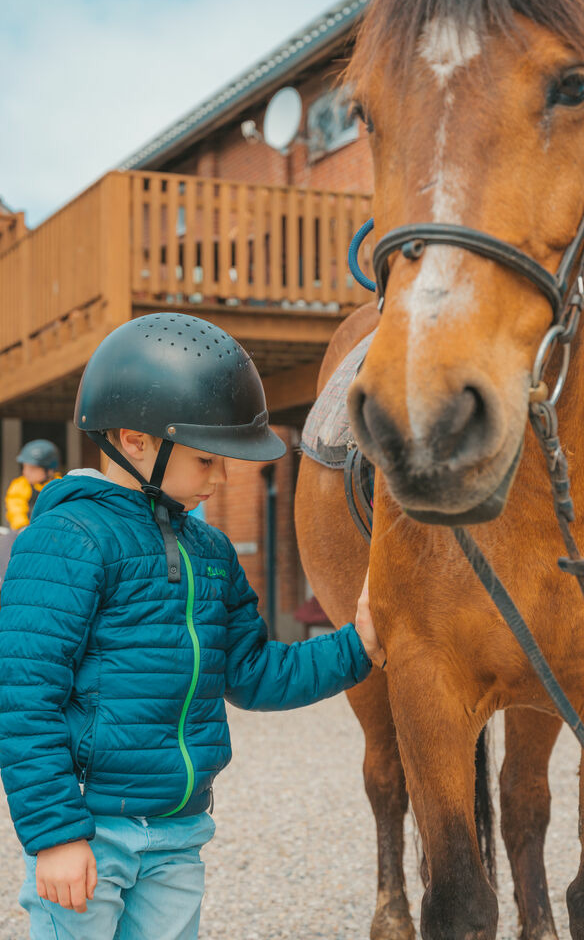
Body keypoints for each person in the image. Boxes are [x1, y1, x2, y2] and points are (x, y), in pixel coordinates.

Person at [0, 312, 383, 940]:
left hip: (179, 834)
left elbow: (255, 673)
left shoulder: (210, 551)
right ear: (136, 440)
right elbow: (24, 699)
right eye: (208, 461)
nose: (224, 478)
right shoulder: (66, 540)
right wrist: (56, 836)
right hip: (91, 833)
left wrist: (358, 646)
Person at [4, 439, 61, 529]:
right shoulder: (21, 484)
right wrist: (21, 526)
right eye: (24, 467)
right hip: (26, 530)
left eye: (32, 469)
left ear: (49, 471)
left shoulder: (60, 486)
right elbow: (16, 507)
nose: (25, 472)